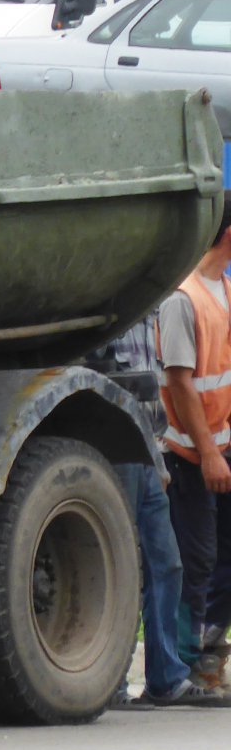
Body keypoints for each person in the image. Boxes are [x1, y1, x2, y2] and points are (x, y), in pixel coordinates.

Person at [86, 314, 197, 707]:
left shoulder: (154, 313)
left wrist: (158, 458)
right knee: (121, 567)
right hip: (118, 451)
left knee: (166, 564)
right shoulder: (120, 313)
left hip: (148, 452)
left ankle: (166, 678)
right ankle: (111, 680)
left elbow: (151, 393)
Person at [159, 207, 231, 701]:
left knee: (221, 555)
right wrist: (208, 454)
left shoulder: (224, 291)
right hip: (189, 454)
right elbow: (181, 384)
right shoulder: (183, 299)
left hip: (222, 445)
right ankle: (185, 665)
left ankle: (209, 646)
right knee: (198, 559)